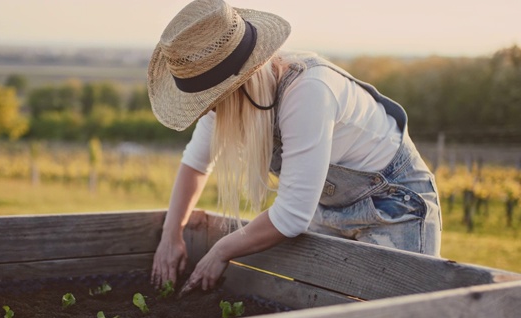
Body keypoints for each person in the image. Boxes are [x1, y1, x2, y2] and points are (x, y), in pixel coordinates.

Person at [148, 0, 442, 294]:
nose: (210, 112)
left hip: (393, 206)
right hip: (326, 211)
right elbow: (196, 165)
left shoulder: (307, 92)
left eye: (213, 101)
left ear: (235, 87)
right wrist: (171, 235)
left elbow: (291, 215)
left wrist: (220, 250)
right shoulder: (224, 107)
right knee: (317, 314)